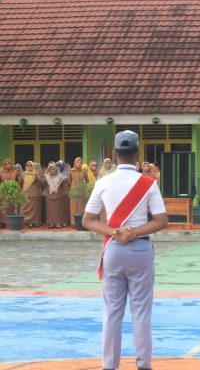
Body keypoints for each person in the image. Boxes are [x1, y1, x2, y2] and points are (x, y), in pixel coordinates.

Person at [82, 130, 168, 370]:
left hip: (113, 250)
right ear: (138, 154)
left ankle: (109, 366)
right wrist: (134, 232)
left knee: (111, 312)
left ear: (114, 154)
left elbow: (88, 220)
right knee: (141, 312)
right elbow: (161, 221)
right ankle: (144, 365)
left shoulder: (102, 182)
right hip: (140, 251)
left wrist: (114, 232)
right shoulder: (149, 184)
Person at [20, 161, 46, 228]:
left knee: (35, 210)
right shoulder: (23, 173)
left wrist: (38, 176)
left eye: (31, 165)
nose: (29, 167)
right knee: (24, 208)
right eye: (27, 165)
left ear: (33, 166)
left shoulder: (36, 174)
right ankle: (25, 222)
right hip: (25, 195)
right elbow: (20, 183)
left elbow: (43, 183)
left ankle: (34, 222)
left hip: (35, 195)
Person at [44, 162, 68, 229]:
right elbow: (44, 185)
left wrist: (61, 193)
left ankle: (58, 223)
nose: (51, 170)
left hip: (58, 196)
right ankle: (51, 223)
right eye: (50, 169)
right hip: (49, 196)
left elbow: (63, 187)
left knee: (58, 210)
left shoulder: (60, 177)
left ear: (56, 170)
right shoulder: (46, 177)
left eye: (53, 169)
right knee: (50, 210)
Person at [0, 158, 19, 228]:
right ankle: (3, 222)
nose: (7, 165)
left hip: (12, 192)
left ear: (11, 164)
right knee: (4, 207)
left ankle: (10, 222)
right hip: (3, 192)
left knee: (11, 207)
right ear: (4, 165)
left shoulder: (15, 172)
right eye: (6, 164)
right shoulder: (1, 172)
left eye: (9, 163)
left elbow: (17, 182)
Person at [69, 157, 88, 225]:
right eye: (77, 162)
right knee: (73, 208)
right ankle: (73, 223)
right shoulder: (71, 171)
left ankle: (80, 223)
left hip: (81, 191)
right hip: (73, 191)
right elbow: (69, 181)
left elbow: (87, 181)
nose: (79, 163)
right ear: (75, 163)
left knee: (81, 207)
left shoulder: (84, 171)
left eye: (80, 162)